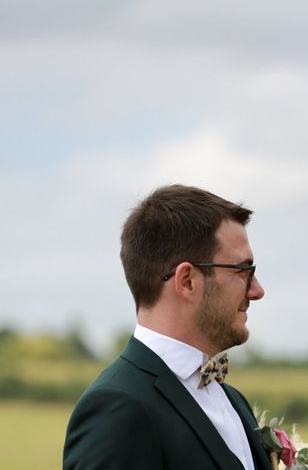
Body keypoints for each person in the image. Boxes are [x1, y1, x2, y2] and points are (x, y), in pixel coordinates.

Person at [63, 184, 272, 470]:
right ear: (187, 280)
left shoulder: (234, 400)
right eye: (243, 271)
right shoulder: (118, 407)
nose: (257, 291)